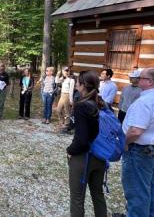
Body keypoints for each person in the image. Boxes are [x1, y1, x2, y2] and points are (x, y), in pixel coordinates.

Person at [121, 68, 154, 217]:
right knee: (151, 187)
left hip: (141, 151)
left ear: (150, 82)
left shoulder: (146, 101)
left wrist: (125, 142)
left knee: (137, 190)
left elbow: (136, 131)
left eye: (141, 77)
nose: (138, 79)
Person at [67, 70, 107, 217]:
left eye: (78, 82)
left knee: (77, 198)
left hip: (84, 157)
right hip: (101, 156)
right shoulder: (102, 102)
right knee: (98, 194)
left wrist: (70, 150)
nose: (76, 84)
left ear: (83, 85)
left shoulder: (82, 105)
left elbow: (82, 141)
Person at [56, 67, 75, 131]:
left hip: (67, 95)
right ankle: (61, 122)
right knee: (58, 109)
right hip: (62, 94)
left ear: (68, 71)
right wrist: (58, 75)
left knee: (67, 111)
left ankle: (67, 124)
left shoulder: (71, 80)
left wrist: (71, 100)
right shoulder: (62, 79)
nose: (64, 72)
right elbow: (56, 81)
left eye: (65, 71)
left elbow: (71, 91)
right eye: (63, 71)